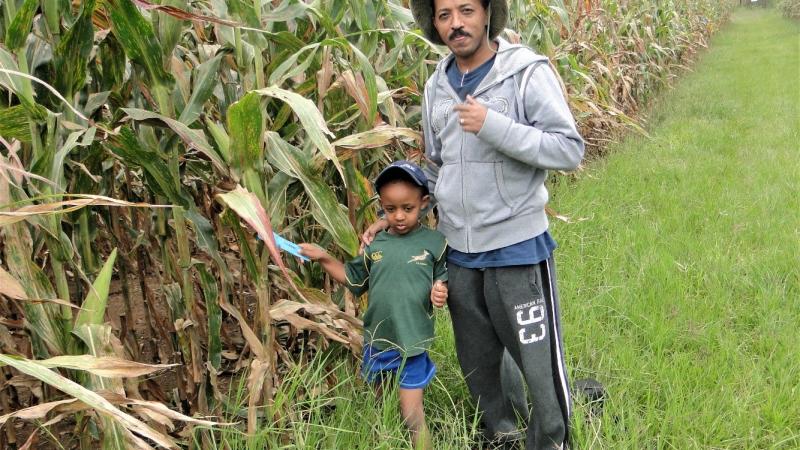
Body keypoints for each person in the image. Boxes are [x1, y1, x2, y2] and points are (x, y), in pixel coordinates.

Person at [362, 1, 585, 449]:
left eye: (466, 10)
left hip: (517, 247)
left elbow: (568, 149)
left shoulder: (524, 71)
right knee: (480, 363)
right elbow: (436, 167)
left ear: (487, 14)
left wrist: (493, 126)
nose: (455, 24)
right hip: (458, 251)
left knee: (537, 363)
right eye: (444, 15)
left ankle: (552, 440)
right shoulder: (436, 86)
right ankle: (501, 434)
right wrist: (393, 221)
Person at [299, 161, 449, 449]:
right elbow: (353, 279)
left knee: (412, 414)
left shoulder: (435, 243)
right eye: (391, 210)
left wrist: (441, 290)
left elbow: (443, 277)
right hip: (377, 342)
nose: (400, 216)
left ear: (424, 203)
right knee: (383, 408)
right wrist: (322, 257)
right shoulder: (375, 247)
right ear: (382, 207)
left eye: (408, 208)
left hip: (412, 343)